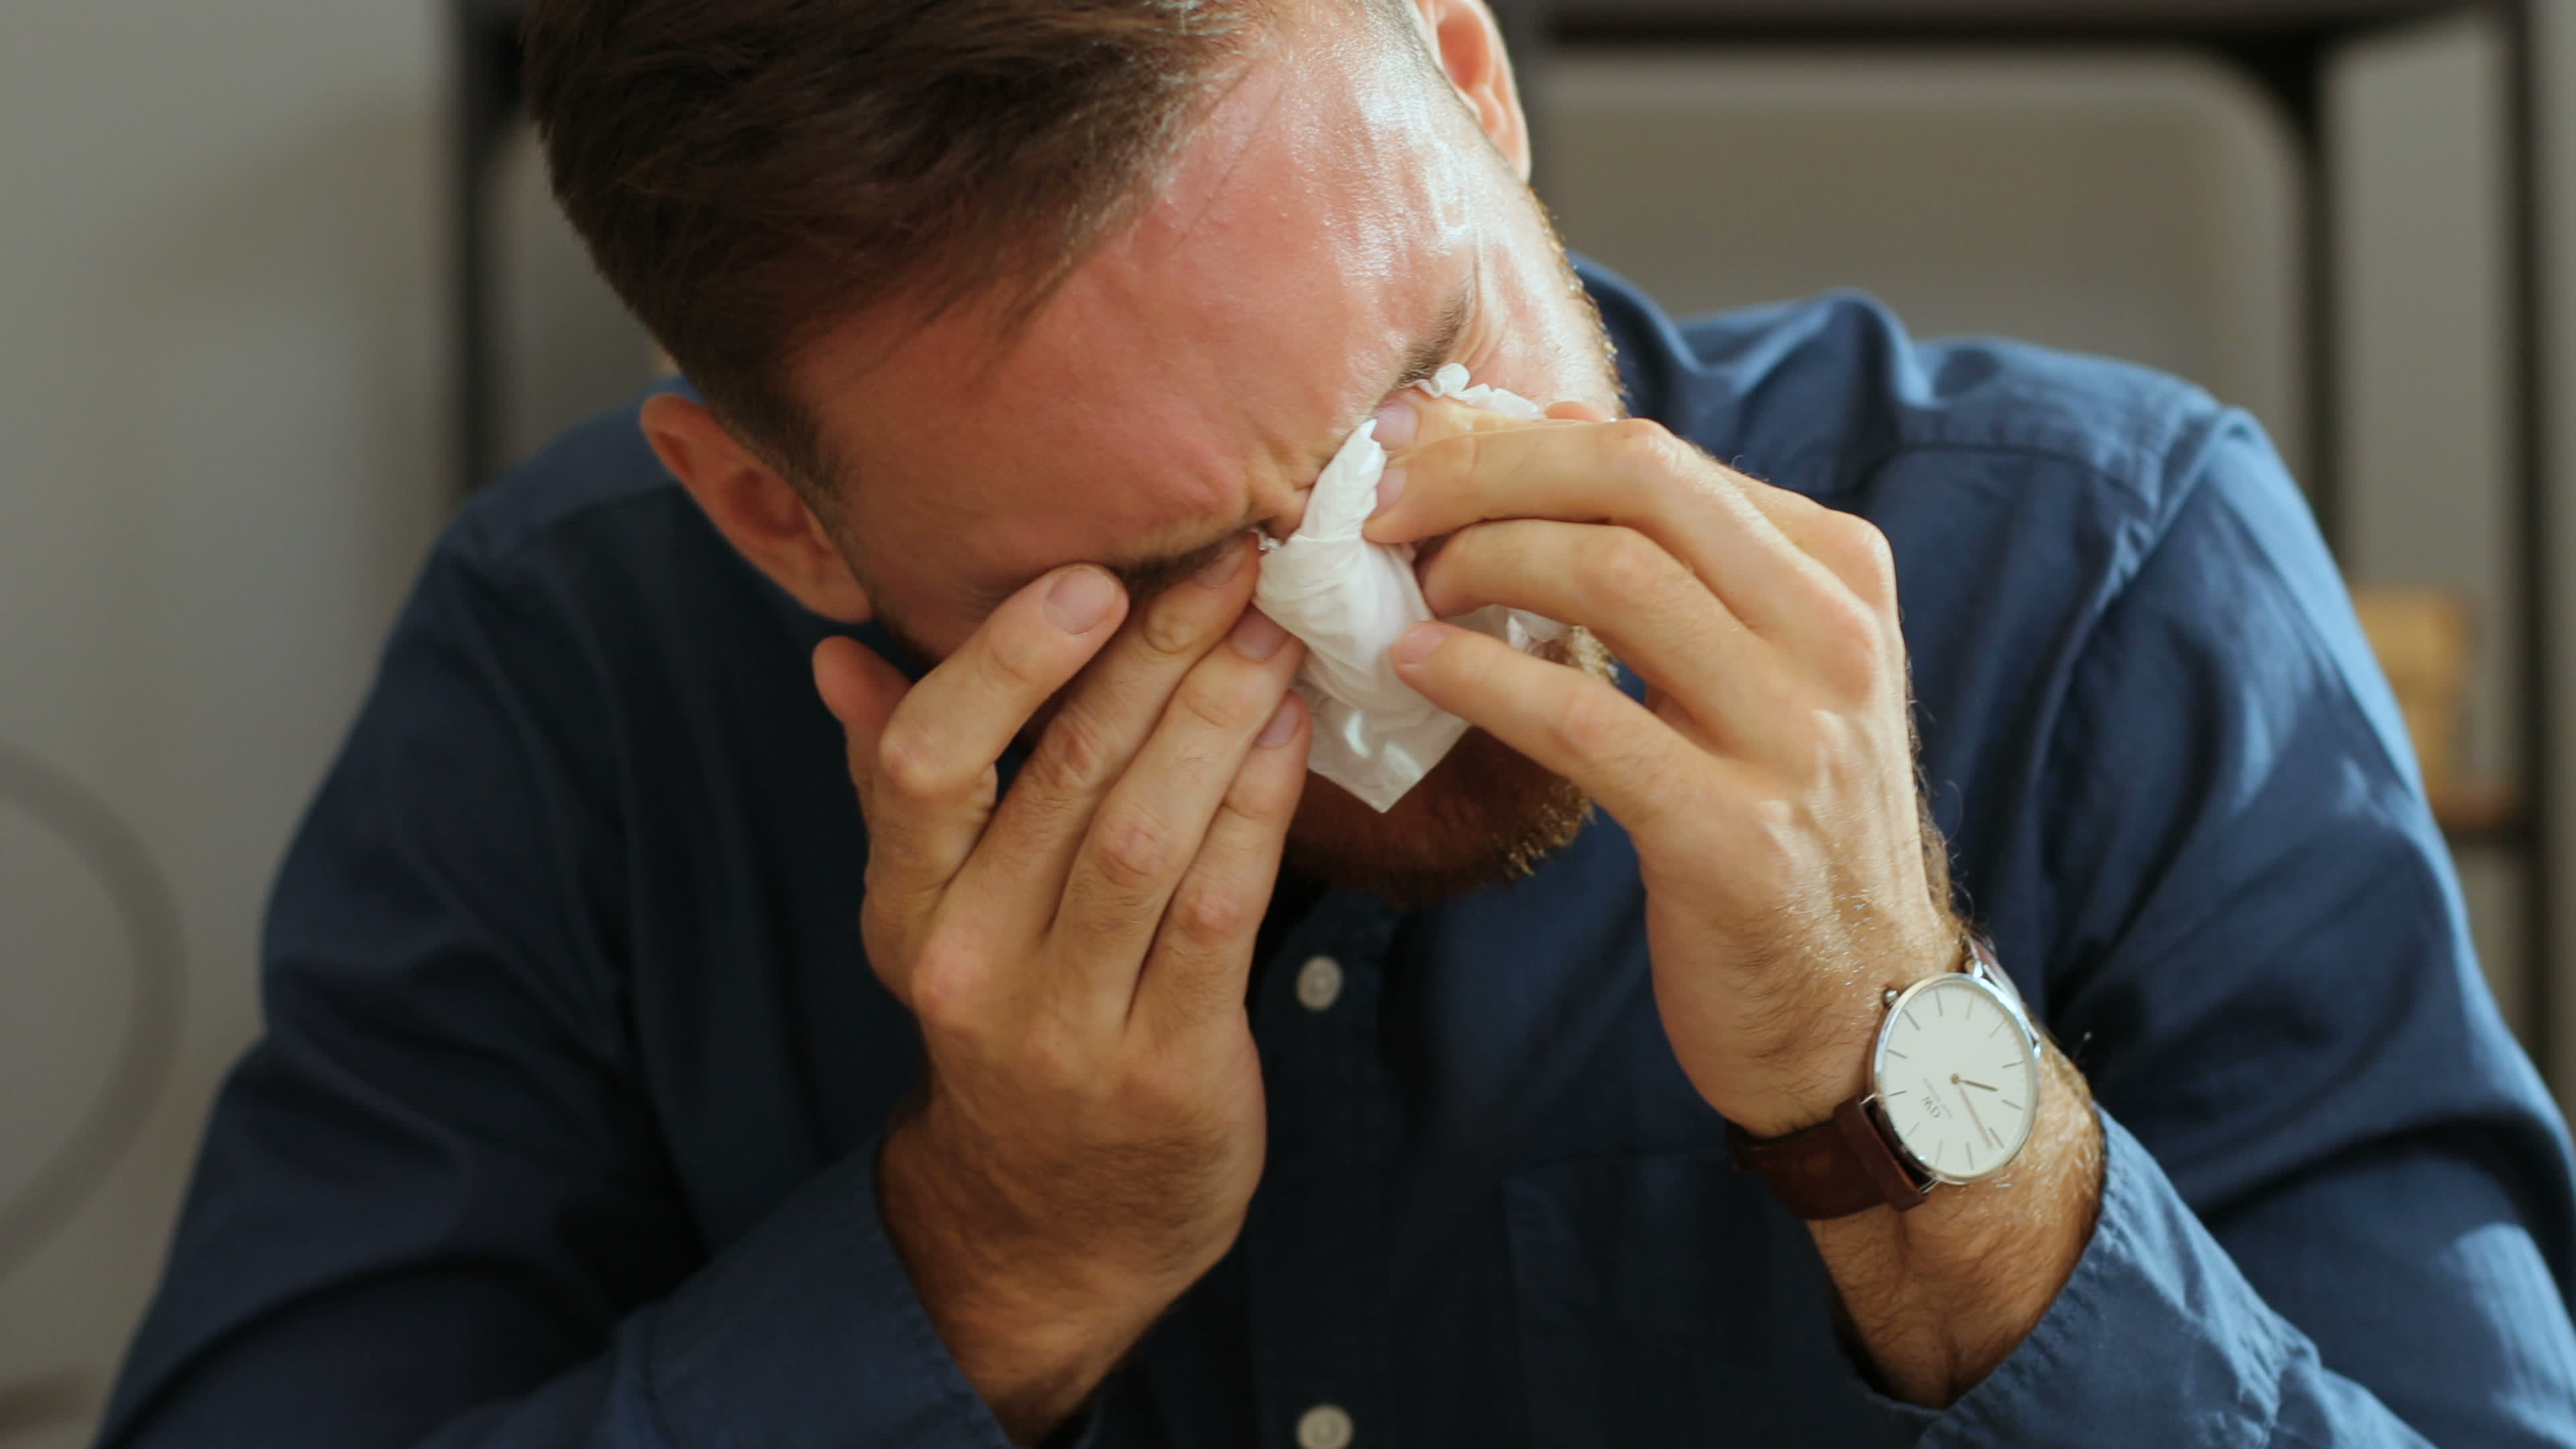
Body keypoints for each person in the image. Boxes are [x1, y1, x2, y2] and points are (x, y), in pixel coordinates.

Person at [99, 0, 2576, 1444]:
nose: (1384, 609)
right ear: (781, 524)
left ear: (1473, 86)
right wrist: (991, 1252)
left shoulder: (2108, 575)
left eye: (1427, 376)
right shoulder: (577, 688)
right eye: (1173, 582)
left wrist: (1917, 1100)